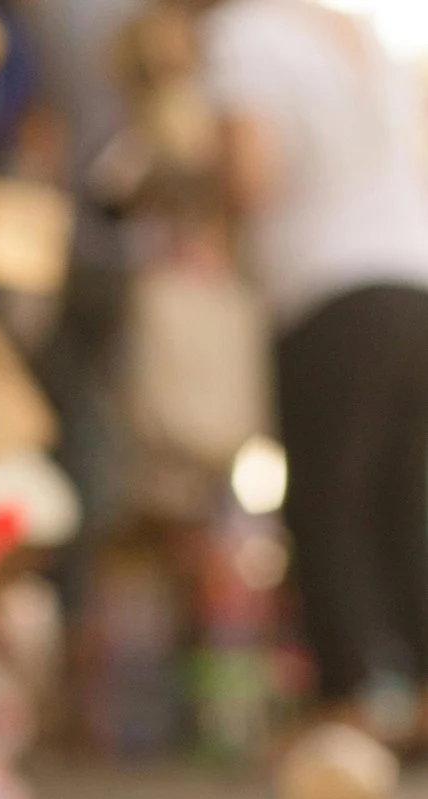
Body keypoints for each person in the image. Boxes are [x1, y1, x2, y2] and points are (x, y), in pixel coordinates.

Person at [197, 0, 428, 735]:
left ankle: (346, 706)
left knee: (328, 504)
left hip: (326, 288)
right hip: (414, 279)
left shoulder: (243, 35)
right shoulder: (358, 33)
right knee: (408, 502)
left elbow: (251, 173)